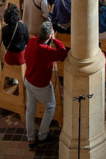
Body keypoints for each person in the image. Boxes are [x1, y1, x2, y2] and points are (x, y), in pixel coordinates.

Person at [24, 21, 68, 149]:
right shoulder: (46, 50)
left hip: (29, 80)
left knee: (30, 110)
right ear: (49, 36)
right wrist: (55, 40)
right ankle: (43, 136)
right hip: (40, 85)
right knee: (50, 107)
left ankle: (31, 139)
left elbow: (27, 56)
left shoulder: (32, 41)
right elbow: (63, 53)